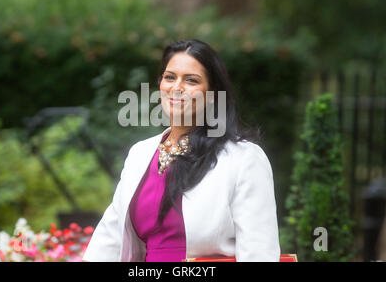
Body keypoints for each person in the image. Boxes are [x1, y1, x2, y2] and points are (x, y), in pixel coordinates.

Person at [82, 39, 280, 262]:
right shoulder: (140, 153)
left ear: (212, 94)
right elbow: (111, 236)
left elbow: (259, 252)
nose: (177, 88)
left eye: (191, 80)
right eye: (170, 77)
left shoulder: (243, 158)